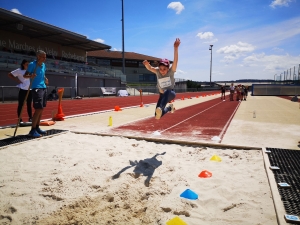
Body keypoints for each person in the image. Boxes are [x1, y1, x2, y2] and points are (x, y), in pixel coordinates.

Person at [143, 38, 180, 119]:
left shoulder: (171, 72)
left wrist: (176, 48)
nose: (162, 71)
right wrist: (146, 64)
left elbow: (175, 61)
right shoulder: (157, 71)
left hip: (171, 93)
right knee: (157, 116)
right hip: (162, 95)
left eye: (164, 69)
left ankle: (161, 107)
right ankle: (169, 108)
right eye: (161, 69)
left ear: (168, 68)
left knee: (166, 91)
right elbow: (150, 68)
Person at [24, 50, 49, 138]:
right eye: (43, 56)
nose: (45, 58)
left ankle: (37, 127)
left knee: (41, 109)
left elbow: (42, 74)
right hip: (36, 88)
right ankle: (33, 129)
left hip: (43, 87)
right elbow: (25, 75)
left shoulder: (43, 65)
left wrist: (45, 78)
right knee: (38, 109)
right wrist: (31, 76)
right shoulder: (32, 64)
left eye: (45, 57)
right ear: (38, 56)